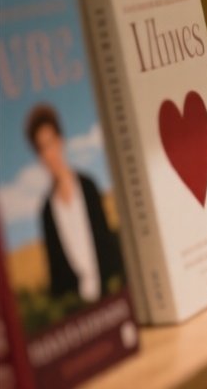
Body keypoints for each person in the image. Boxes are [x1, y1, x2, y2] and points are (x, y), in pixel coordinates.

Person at [27, 103, 124, 308]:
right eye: (42, 148)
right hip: (78, 312)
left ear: (61, 142)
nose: (49, 154)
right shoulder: (46, 212)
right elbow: (56, 274)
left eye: (51, 143)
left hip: (111, 299)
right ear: (39, 156)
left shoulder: (88, 187)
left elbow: (107, 244)